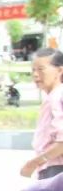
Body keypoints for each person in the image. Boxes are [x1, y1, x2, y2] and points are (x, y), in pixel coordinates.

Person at [21, 48, 63, 180]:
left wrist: (34, 163)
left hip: (56, 169)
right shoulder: (52, 96)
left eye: (41, 69)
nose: (35, 74)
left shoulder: (57, 97)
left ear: (59, 70)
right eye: (33, 70)